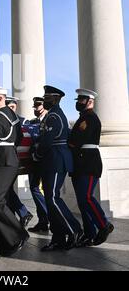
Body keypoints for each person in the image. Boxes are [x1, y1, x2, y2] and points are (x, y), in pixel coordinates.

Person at [0, 88, 29, 259]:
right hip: (10, 158)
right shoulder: (12, 115)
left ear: (1, 98)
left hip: (1, 162)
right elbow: (20, 137)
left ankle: (18, 234)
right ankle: (4, 244)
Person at [37, 86, 83, 252]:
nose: (44, 99)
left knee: (53, 198)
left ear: (55, 99)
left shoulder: (54, 116)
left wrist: (37, 154)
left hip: (56, 160)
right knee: (50, 200)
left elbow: (47, 140)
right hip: (52, 160)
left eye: (47, 97)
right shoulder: (53, 114)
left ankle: (74, 229)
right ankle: (58, 238)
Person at [69, 88, 114, 247]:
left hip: (88, 163)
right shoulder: (83, 117)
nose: (79, 103)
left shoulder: (90, 118)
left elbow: (77, 140)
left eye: (82, 101)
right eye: (78, 100)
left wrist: (70, 142)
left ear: (90, 102)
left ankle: (103, 224)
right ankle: (89, 234)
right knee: (82, 201)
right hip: (80, 163)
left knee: (86, 197)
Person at [5, 96, 34, 228]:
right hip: (8, 160)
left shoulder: (23, 121)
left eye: (13, 107)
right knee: (6, 189)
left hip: (18, 161)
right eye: (9, 107)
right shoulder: (3, 119)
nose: (11, 109)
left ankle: (22, 213)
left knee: (5, 189)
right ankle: (15, 216)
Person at [27, 97, 50, 233]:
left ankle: (48, 217)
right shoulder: (32, 122)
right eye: (34, 106)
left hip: (46, 160)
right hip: (34, 161)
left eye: (38, 105)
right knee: (34, 188)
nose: (35, 108)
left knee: (48, 191)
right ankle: (43, 221)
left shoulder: (50, 120)